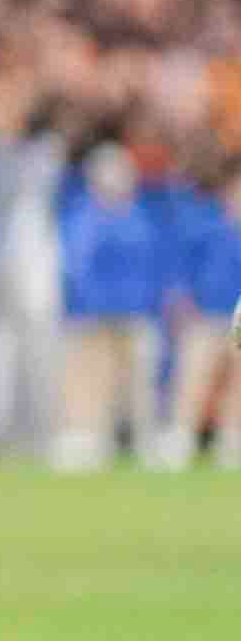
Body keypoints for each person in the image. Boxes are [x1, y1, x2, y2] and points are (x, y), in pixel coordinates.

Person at [49, 140, 164, 467]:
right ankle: (85, 437)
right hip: (92, 314)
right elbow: (76, 267)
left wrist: (148, 303)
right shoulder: (83, 217)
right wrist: (82, 306)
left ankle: (143, 438)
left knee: (139, 381)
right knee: (90, 377)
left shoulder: (140, 217)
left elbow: (150, 264)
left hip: (135, 311)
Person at [163, 165, 240, 466]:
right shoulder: (207, 228)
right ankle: (182, 435)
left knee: (238, 384)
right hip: (207, 315)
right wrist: (183, 299)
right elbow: (183, 268)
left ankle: (233, 439)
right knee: (194, 377)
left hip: (237, 320)